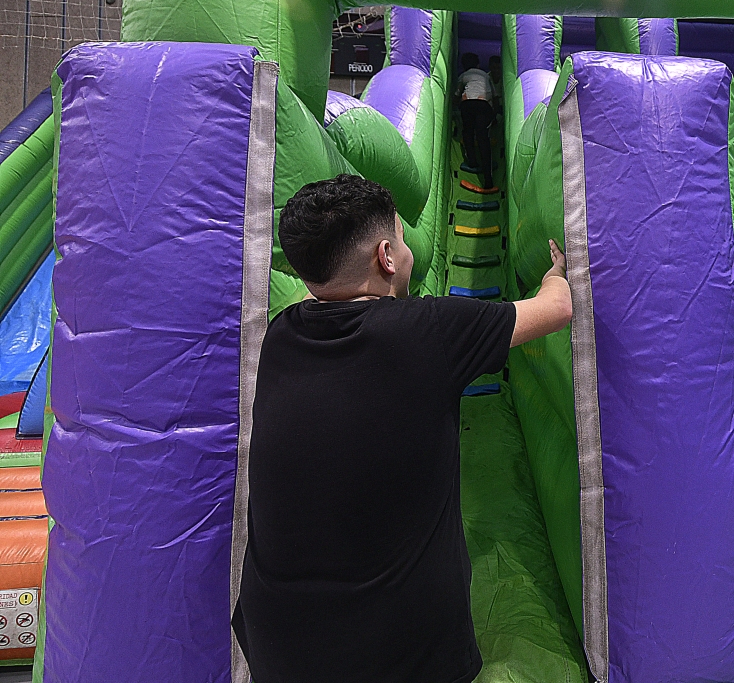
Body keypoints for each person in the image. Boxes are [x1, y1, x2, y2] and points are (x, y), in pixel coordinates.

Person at [232, 174, 571, 683]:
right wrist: (556, 273)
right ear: (386, 257)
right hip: (400, 658)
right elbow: (557, 309)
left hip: (277, 650)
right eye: (403, 237)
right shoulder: (427, 330)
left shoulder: (280, 337)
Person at [455, 53, 495, 189]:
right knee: (483, 137)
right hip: (483, 104)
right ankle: (488, 178)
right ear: (478, 65)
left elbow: (457, 94)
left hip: (467, 105)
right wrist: (494, 114)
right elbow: (494, 96)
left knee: (468, 131)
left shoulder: (463, 75)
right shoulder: (485, 75)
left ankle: (472, 160)